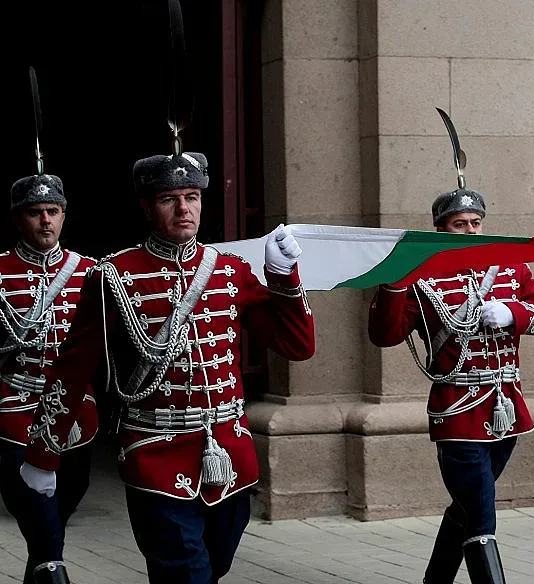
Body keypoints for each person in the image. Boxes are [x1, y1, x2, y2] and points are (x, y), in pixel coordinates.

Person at [20, 144, 317, 583]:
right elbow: (73, 367)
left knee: (213, 569)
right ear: (147, 206)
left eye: (192, 198)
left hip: (230, 458)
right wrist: (45, 455)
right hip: (155, 452)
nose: (184, 209)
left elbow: (297, 346)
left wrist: (284, 277)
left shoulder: (230, 271)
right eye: (169, 199)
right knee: (184, 573)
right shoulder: (112, 275)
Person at [368, 109, 534, 584]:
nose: (472, 231)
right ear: (442, 229)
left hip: (507, 406)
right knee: (482, 517)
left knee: (466, 505)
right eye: (460, 224)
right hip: (458, 407)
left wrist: (515, 314)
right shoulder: (422, 275)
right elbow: (385, 335)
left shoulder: (510, 268)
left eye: (477, 221)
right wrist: (395, 281)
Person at [0, 68, 96, 584]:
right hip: (16, 403)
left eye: (53, 211)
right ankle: (50, 566)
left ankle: (44, 559)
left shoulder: (90, 271)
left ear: (64, 215)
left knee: (66, 493)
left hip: (77, 407)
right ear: (20, 218)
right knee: (31, 496)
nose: (45, 221)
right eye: (35, 212)